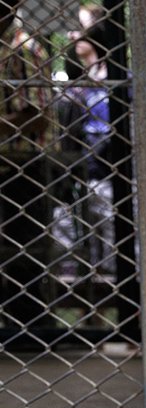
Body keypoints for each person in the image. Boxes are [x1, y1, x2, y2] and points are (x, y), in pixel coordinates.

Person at [0, 0, 54, 347]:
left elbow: (39, 114)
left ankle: (29, 332)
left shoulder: (23, 47)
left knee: (24, 251)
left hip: (22, 166)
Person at [58, 23, 115, 283]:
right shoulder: (75, 81)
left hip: (108, 171)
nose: (71, 35)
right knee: (82, 238)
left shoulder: (115, 78)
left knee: (111, 237)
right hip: (80, 169)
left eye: (79, 28)